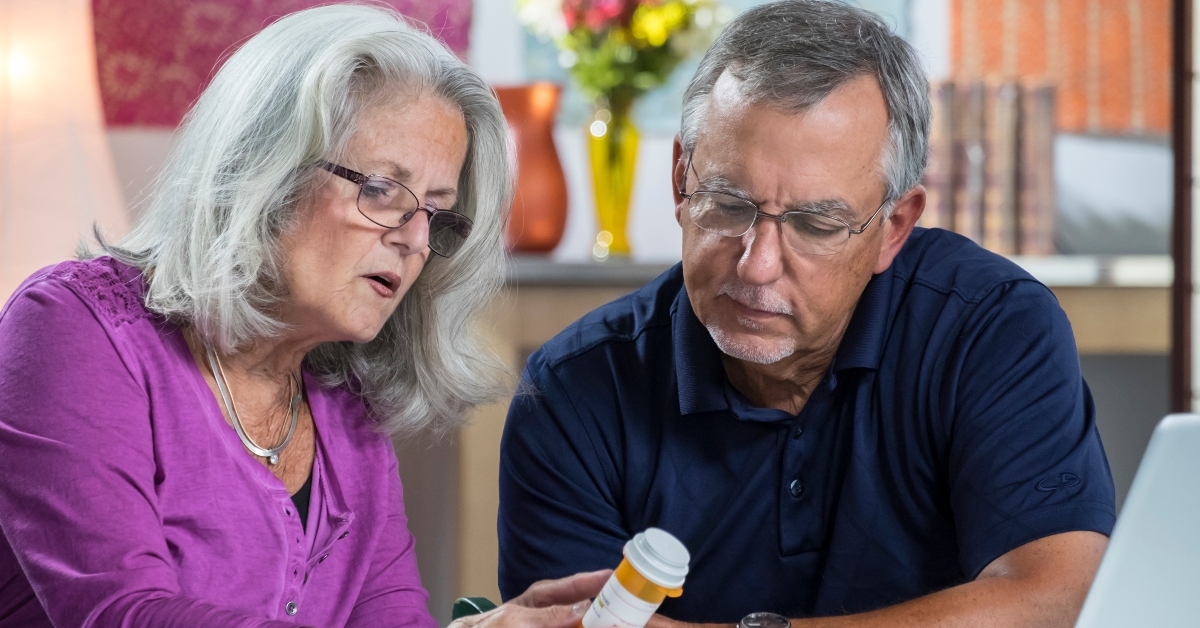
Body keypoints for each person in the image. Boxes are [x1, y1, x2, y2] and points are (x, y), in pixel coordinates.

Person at [497, 1, 1115, 626]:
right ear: (681, 181)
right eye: (728, 204)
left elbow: (1058, 600)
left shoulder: (991, 327)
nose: (757, 266)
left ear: (894, 227)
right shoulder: (572, 392)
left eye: (816, 225)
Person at [0, 5, 607, 626]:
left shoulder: (349, 406)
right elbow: (121, 614)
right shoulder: (71, 326)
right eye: (382, 190)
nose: (416, 240)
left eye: (436, 213)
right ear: (266, 167)